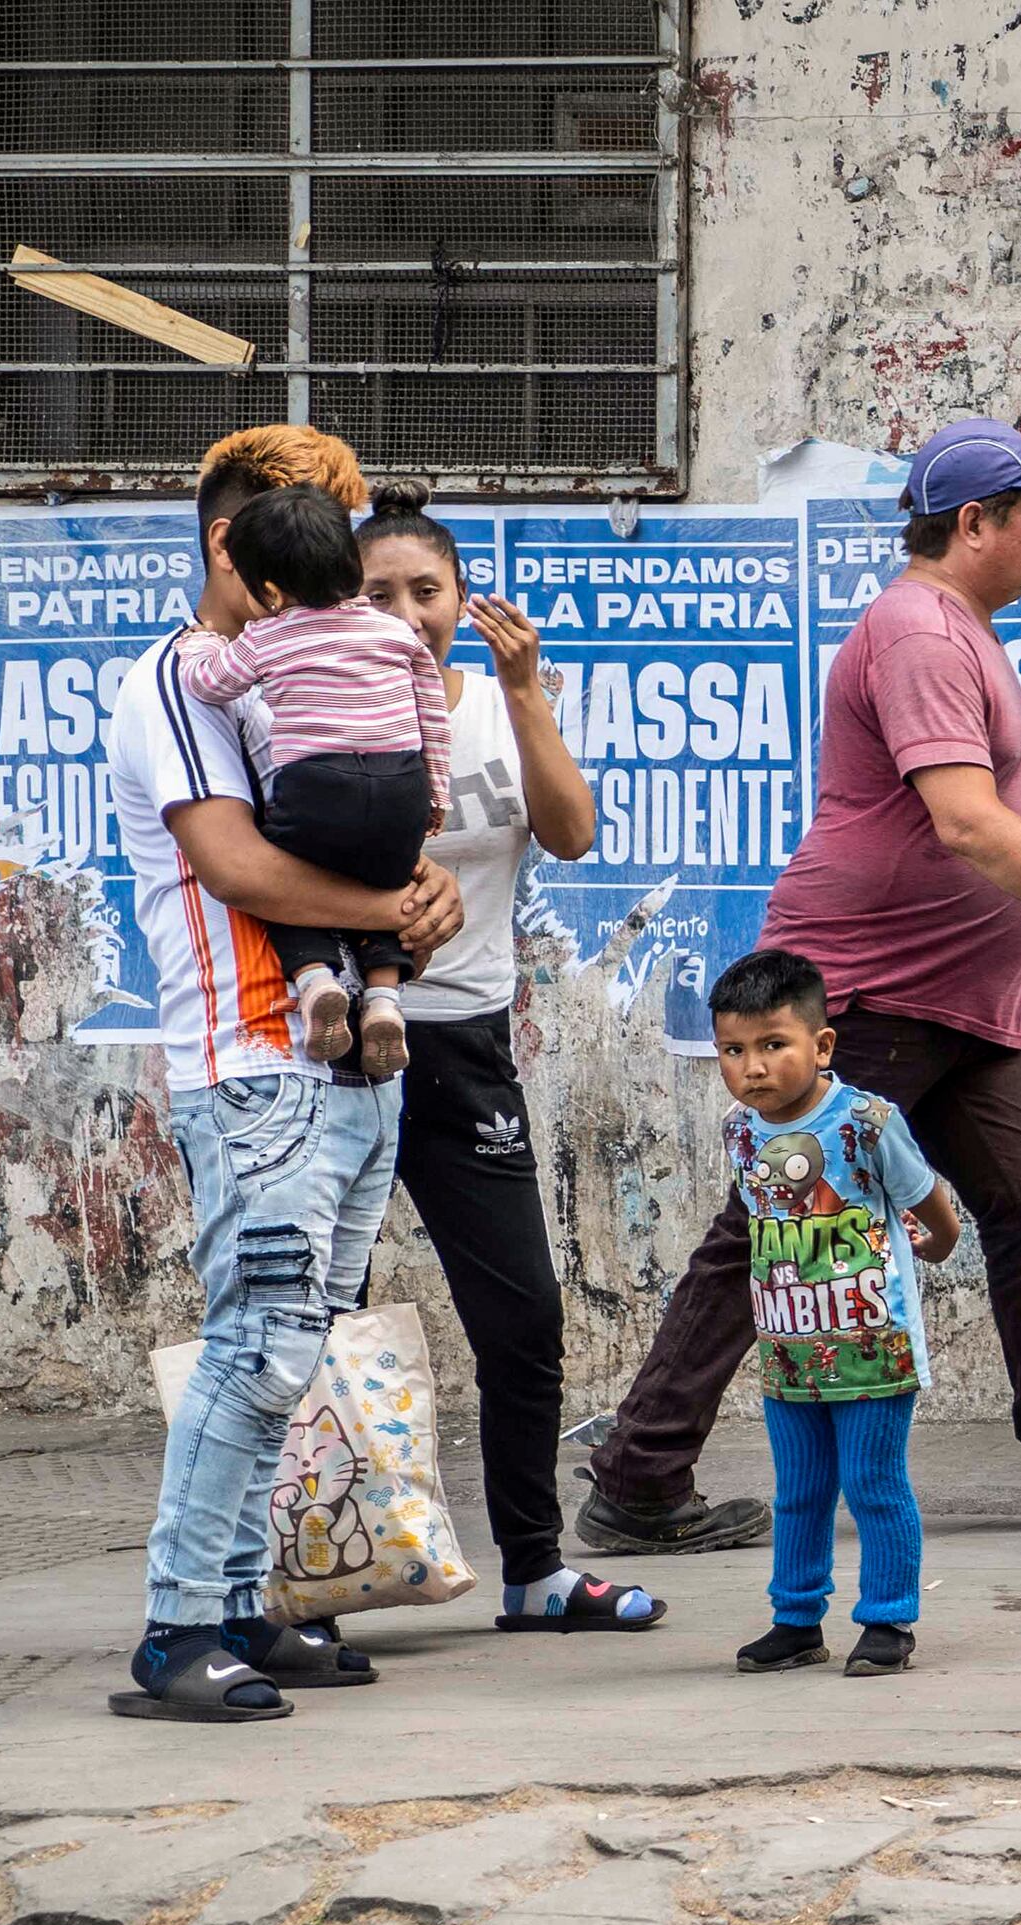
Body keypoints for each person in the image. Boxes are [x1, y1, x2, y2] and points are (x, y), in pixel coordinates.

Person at [578, 418, 1021, 1551]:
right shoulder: (922, 631)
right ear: (971, 523)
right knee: (777, 1218)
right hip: (874, 991)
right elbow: (968, 824)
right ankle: (640, 1474)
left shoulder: (957, 630)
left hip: (957, 1005)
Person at [108, 424, 465, 1723]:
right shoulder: (181, 685)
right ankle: (179, 1627)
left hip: (347, 1060)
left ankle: (253, 1606)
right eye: (313, 530)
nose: (344, 564)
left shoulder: (304, 671)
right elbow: (243, 867)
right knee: (257, 1350)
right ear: (232, 543)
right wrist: (388, 902)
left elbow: (372, 806)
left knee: (296, 1348)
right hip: (254, 1054)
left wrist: (418, 899)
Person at [355, 480, 660, 1635]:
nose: (403, 611)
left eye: (425, 590)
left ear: (461, 600)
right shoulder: (317, 705)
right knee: (317, 1318)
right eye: (378, 590)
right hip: (334, 1044)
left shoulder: (494, 703)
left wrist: (527, 691)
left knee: (525, 1318)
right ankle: (296, 1575)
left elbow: (573, 832)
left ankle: (534, 1567)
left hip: (464, 1044)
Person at [708, 950, 964, 1678]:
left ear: (821, 1046)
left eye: (772, 1045)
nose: (752, 1068)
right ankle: (795, 1620)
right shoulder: (740, 1130)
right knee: (800, 1491)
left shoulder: (866, 1123)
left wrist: (940, 1245)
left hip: (872, 1343)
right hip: (788, 1350)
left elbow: (925, 1198)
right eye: (734, 1050)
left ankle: (887, 1620)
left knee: (874, 1484)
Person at [180, 484, 452, 1083]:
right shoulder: (396, 634)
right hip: (400, 785)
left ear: (271, 589)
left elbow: (209, 683)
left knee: (287, 874)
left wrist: (202, 644)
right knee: (388, 873)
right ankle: (384, 1000)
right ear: (353, 568)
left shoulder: (269, 634)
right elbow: (431, 713)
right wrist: (435, 794)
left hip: (318, 784)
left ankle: (315, 980)